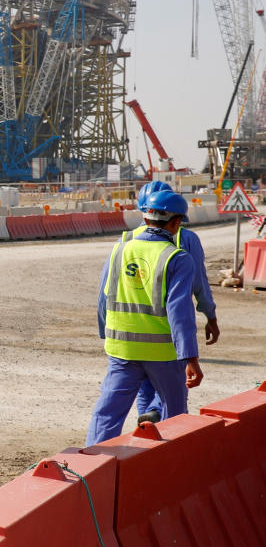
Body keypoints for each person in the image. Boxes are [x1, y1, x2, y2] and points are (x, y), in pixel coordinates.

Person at [87, 189, 203, 445]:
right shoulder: (177, 258)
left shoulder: (119, 249)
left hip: (122, 351)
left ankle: (91, 465)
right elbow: (180, 312)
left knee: (107, 413)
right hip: (162, 354)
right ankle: (170, 467)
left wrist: (106, 335)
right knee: (174, 417)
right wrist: (190, 358)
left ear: (146, 218)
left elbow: (103, 298)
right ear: (175, 224)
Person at [128, 181, 218, 424]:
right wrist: (210, 315)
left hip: (133, 329)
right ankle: (161, 420)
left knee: (144, 386)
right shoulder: (185, 238)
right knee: (172, 386)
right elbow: (199, 282)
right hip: (168, 329)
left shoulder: (128, 239)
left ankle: (147, 432)